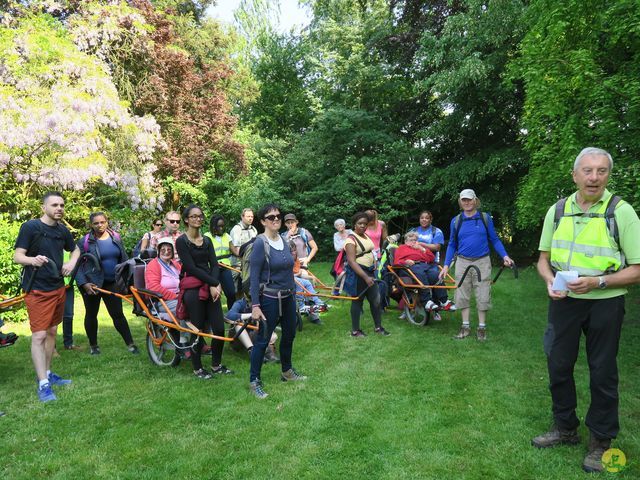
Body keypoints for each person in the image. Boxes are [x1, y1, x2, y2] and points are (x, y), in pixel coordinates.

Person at [530, 147, 640, 473]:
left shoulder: (622, 212)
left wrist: (598, 283)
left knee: (603, 371)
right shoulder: (558, 210)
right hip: (563, 302)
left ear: (608, 175)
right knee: (558, 366)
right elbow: (542, 260)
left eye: (601, 171)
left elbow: (637, 269)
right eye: (588, 171)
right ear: (575, 175)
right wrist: (550, 280)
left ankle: (600, 441)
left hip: (606, 302)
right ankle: (565, 429)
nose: (594, 177)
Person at [13, 191, 80, 402]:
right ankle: (43, 385)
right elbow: (17, 256)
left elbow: (75, 250)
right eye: (54, 205)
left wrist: (70, 263)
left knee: (52, 332)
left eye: (61, 205)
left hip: (58, 287)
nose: (59, 208)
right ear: (44, 207)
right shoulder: (31, 227)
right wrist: (33, 260)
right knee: (39, 336)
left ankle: (48, 374)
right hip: (37, 289)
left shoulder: (62, 230)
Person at [439, 189, 514, 341]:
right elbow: (452, 244)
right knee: (462, 293)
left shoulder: (485, 218)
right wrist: (446, 265)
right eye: (463, 200)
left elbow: (494, 239)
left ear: (475, 200)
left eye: (469, 199)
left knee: (483, 293)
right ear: (460, 202)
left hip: (482, 261)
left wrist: (505, 256)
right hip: (462, 261)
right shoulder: (456, 220)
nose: (466, 202)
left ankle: (481, 328)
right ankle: (465, 327)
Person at [249, 204, 306, 399]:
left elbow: (290, 270)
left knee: (289, 335)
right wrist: (255, 305)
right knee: (263, 340)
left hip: (289, 297)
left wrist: (295, 295)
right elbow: (254, 276)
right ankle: (254, 381)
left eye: (278, 216)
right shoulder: (260, 243)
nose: (275, 219)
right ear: (263, 221)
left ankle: (287, 371)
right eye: (270, 217)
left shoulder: (284, 240)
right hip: (270, 300)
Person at [175, 205, 231, 379]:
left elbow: (214, 264)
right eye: (193, 216)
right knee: (197, 330)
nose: (198, 219)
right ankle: (198, 368)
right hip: (193, 288)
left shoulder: (206, 240)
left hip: (208, 286)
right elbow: (191, 267)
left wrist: (214, 284)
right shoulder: (181, 241)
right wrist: (215, 282)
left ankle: (216, 365)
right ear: (186, 220)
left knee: (219, 328)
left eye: (200, 216)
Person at [75, 212, 139, 356]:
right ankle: (94, 346)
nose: (100, 225)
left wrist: (127, 279)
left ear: (107, 222)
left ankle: (131, 344)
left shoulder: (115, 237)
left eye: (102, 222)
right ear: (91, 225)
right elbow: (77, 265)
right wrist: (84, 283)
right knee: (91, 314)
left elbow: (124, 259)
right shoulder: (84, 241)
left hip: (112, 283)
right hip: (92, 284)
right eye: (96, 223)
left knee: (118, 314)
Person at [344, 211, 389, 337]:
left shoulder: (365, 236)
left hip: (370, 271)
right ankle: (355, 330)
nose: (363, 226)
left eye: (365, 224)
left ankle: (378, 327)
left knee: (376, 300)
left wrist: (375, 262)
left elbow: (372, 251)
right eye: (360, 223)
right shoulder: (350, 240)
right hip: (359, 273)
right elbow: (352, 262)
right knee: (357, 301)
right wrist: (365, 277)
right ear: (354, 225)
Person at [394, 232, 455, 312]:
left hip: (423, 266)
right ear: (405, 241)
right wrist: (406, 261)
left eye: (415, 240)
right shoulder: (402, 248)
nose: (413, 242)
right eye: (411, 240)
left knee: (436, 275)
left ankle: (444, 301)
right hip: (408, 268)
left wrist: (421, 249)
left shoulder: (419, 248)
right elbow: (396, 262)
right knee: (420, 273)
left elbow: (432, 259)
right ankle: (426, 301)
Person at [225, 296, 279, 363]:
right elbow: (228, 316)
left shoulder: (264, 302)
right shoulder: (240, 303)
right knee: (238, 322)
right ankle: (252, 351)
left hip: (255, 334)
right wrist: (251, 315)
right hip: (238, 336)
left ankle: (270, 352)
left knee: (266, 324)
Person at [204, 215, 236, 311]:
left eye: (222, 226)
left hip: (225, 268)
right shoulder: (207, 236)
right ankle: (214, 315)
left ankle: (232, 315)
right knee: (214, 293)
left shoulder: (227, 236)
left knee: (231, 293)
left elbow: (234, 250)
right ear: (213, 226)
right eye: (219, 226)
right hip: (213, 268)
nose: (221, 228)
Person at [144, 237, 181, 314]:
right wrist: (175, 296)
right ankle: (186, 326)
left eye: (169, 249)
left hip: (179, 297)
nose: (166, 252)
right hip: (161, 301)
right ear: (158, 251)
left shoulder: (175, 264)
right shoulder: (153, 265)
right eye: (163, 249)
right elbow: (153, 287)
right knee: (186, 306)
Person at [229, 208, 258, 292]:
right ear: (242, 217)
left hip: (250, 264)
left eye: (252, 216)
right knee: (236, 291)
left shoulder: (253, 229)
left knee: (249, 289)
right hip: (238, 265)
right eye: (248, 216)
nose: (250, 218)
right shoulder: (236, 230)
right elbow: (236, 250)